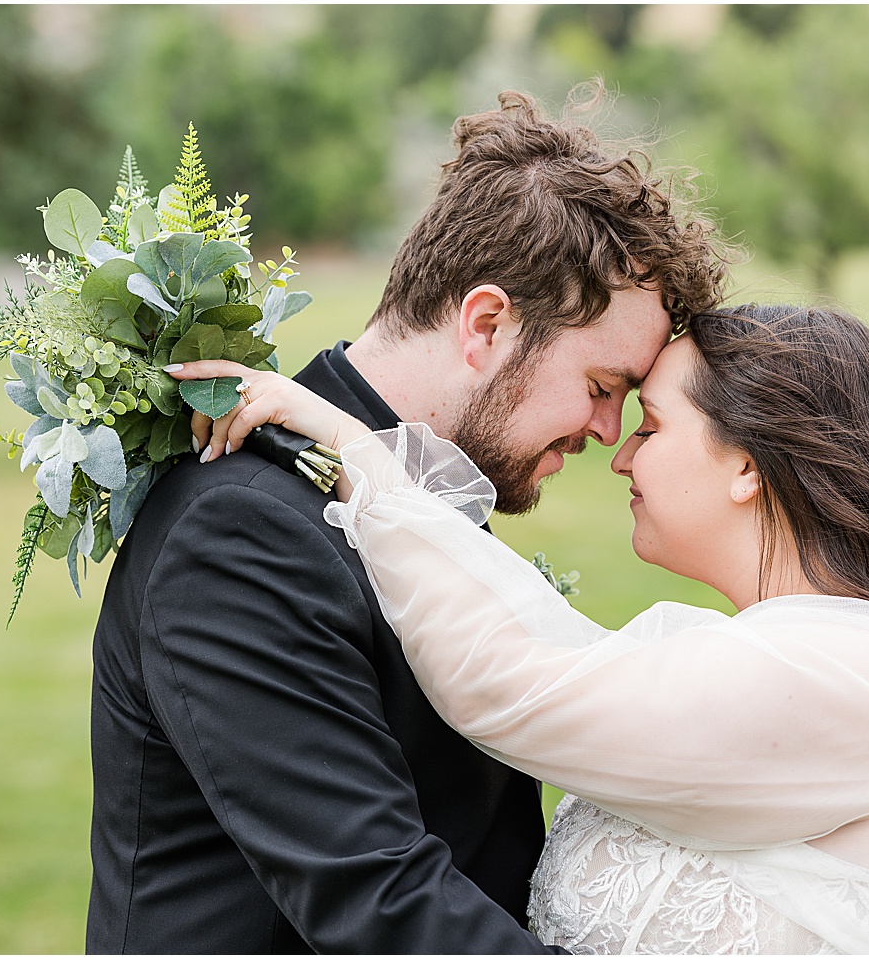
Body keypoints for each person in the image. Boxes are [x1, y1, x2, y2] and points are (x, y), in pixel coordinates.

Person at [170, 302, 869, 953]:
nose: (619, 451)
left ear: (747, 465)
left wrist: (350, 447)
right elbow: (555, 650)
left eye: (653, 424)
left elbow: (511, 681)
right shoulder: (805, 652)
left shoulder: (859, 674)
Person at [85, 87, 724, 953]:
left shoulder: (421, 504)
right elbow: (380, 900)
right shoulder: (240, 531)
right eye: (603, 387)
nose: (608, 435)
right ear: (487, 324)